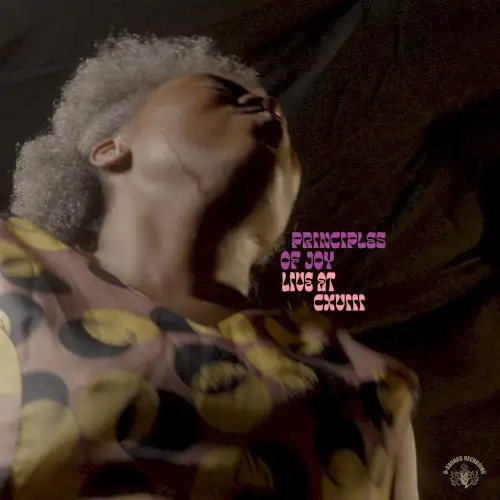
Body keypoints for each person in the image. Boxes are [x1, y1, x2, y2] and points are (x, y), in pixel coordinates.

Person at [1, 35, 419, 499]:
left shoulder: (370, 384)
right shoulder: (10, 273)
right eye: (221, 93)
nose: (269, 107)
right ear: (109, 150)